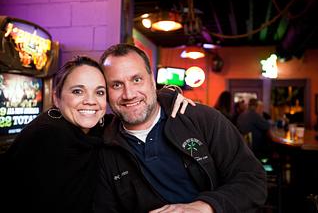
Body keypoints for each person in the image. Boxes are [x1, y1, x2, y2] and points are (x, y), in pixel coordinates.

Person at [2, 56, 192, 213]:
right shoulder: (47, 137)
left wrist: (168, 96)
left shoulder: (94, 128)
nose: (90, 101)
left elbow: (130, 112)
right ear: (56, 98)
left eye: (99, 92)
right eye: (78, 91)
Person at [93, 43, 267, 213]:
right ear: (106, 92)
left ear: (152, 81)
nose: (129, 94)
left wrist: (205, 207)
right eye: (116, 85)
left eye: (137, 80)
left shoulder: (202, 119)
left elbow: (253, 180)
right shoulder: (104, 146)